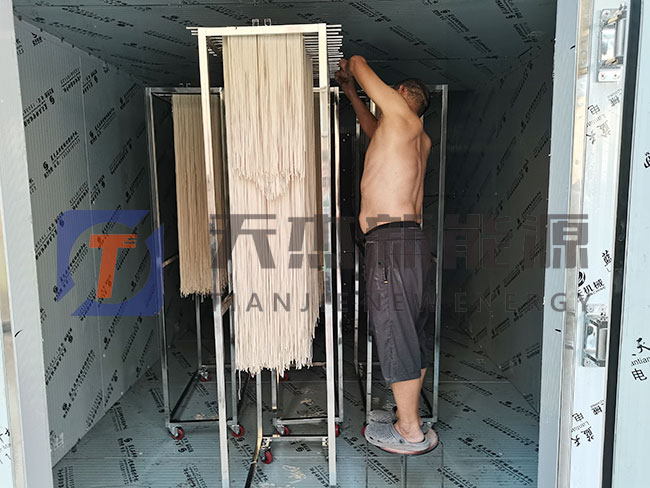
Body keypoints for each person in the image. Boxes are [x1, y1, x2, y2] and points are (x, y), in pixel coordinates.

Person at [335, 56, 438, 455]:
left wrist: (351, 70)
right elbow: (373, 130)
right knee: (415, 332)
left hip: (391, 244)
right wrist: (350, 93)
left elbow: (359, 63)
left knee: (396, 332)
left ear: (399, 94)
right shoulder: (417, 137)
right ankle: (409, 416)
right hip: (412, 243)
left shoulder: (400, 115)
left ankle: (409, 431)